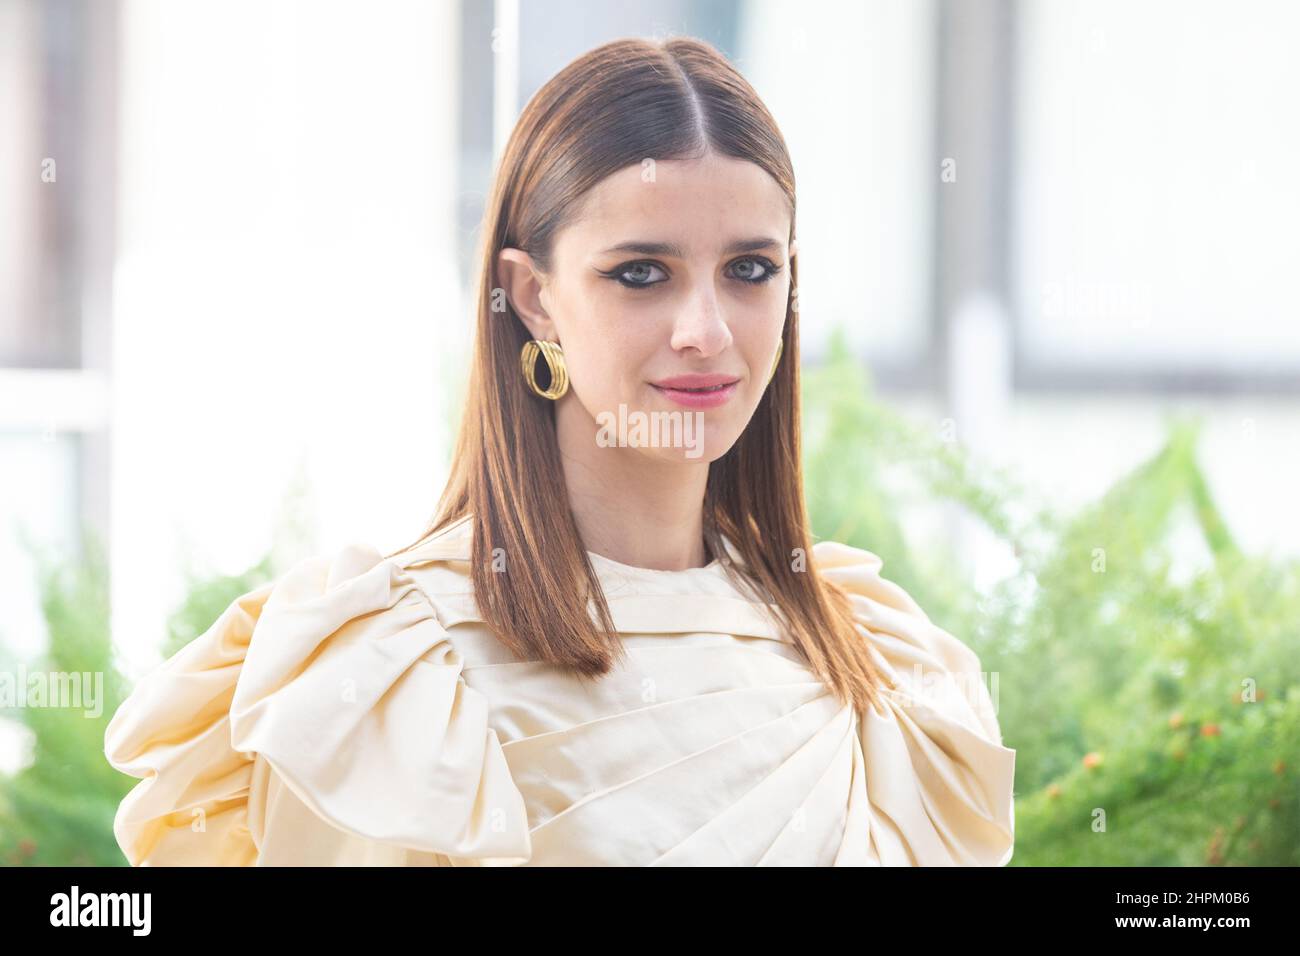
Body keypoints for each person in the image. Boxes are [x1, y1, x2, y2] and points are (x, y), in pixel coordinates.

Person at [103, 35, 1015, 866]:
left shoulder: (872, 655)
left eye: (750, 269)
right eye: (641, 273)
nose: (705, 330)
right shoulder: (400, 673)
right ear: (531, 297)